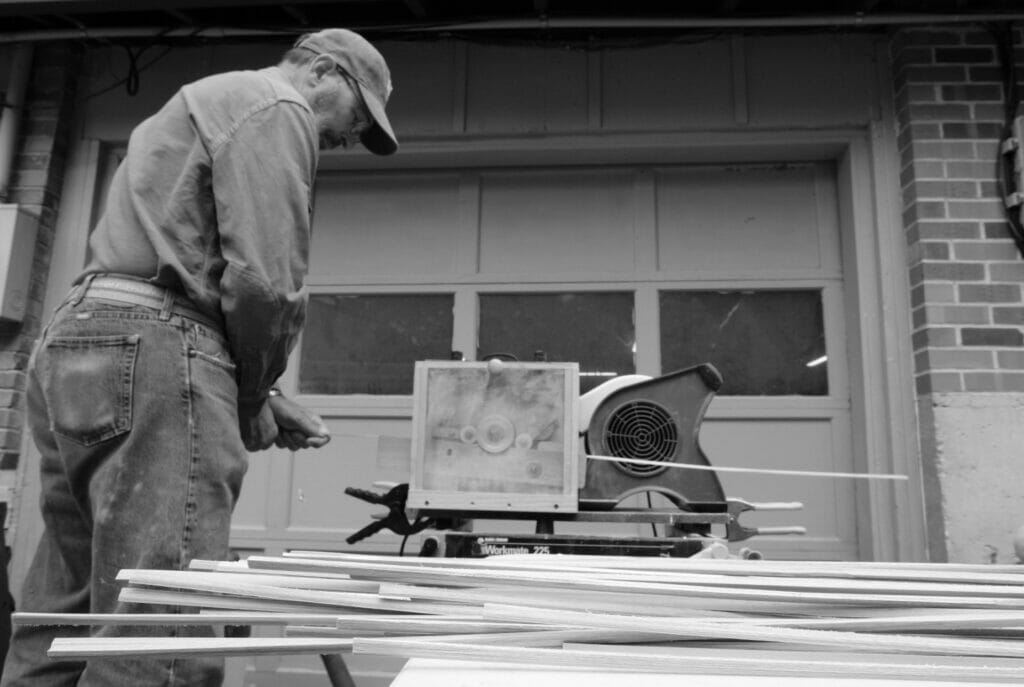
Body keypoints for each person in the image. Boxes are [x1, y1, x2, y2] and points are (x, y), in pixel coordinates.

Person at [1, 28, 397, 687]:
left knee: (62, 616)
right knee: (160, 630)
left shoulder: (200, 101)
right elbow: (263, 284)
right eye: (360, 117)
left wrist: (262, 398)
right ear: (325, 72)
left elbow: (186, 261)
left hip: (81, 339)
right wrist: (248, 400)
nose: (353, 136)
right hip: (156, 348)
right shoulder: (280, 107)